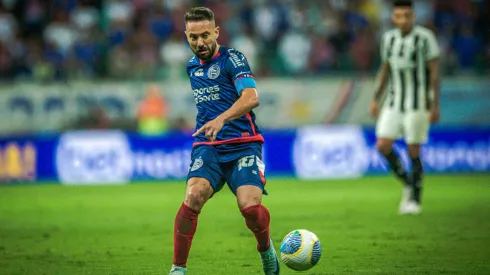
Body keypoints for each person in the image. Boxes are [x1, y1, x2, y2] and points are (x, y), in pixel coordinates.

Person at [169, 7, 279, 275]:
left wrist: (222, 119)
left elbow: (251, 98)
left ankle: (265, 249)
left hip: (243, 143)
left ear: (216, 32)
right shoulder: (192, 66)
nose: (200, 42)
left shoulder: (233, 59)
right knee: (193, 196)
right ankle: (178, 269)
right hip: (209, 147)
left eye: (205, 35)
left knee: (250, 209)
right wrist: (211, 124)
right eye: (193, 37)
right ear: (186, 36)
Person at [369, 0, 440, 215]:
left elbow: (434, 72)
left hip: (418, 101)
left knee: (413, 149)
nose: (403, 20)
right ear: (393, 17)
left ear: (413, 16)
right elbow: (385, 70)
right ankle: (410, 182)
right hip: (393, 100)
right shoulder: (388, 39)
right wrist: (375, 98)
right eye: (399, 16)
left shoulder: (425, 38)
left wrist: (435, 104)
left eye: (407, 15)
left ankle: (415, 199)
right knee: (382, 145)